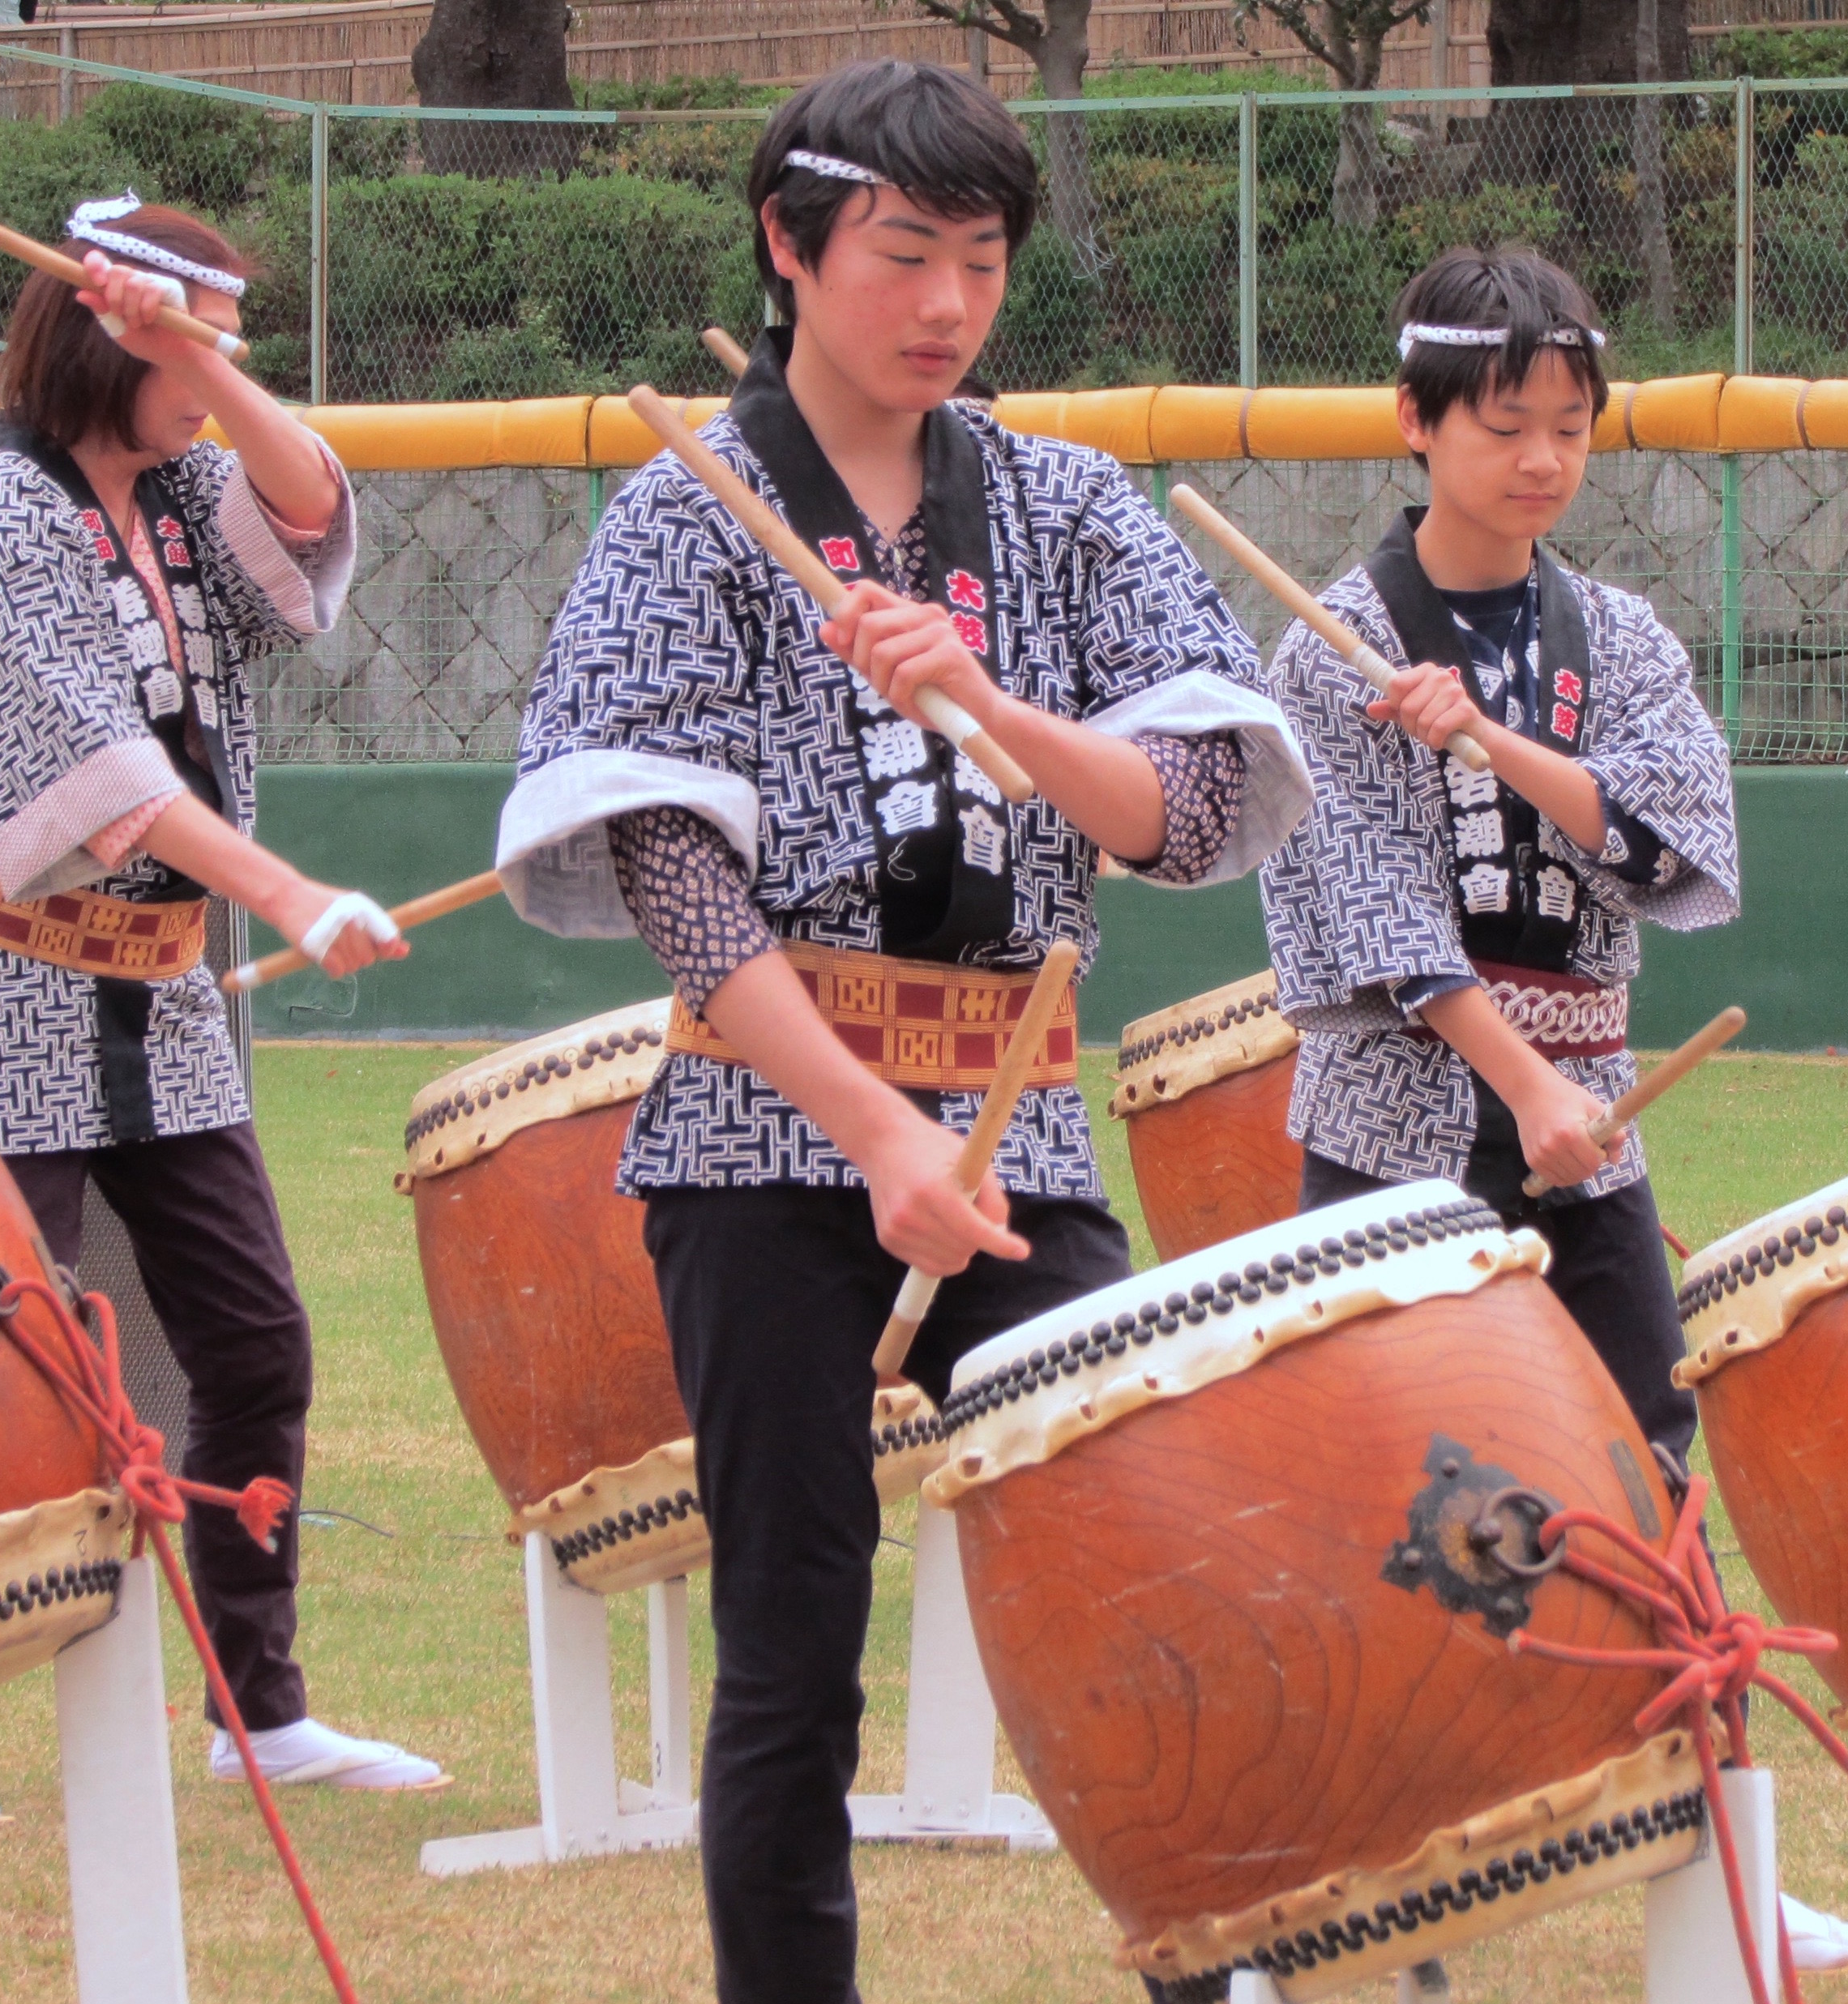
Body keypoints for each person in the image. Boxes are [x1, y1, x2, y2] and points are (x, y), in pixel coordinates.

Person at [494, 62, 1307, 2004]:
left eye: (983, 259)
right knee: (791, 1639)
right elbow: (677, 874)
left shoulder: (1065, 504)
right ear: (789, 248)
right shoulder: (687, 510)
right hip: (767, 1134)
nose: (948, 304)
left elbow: (1187, 809)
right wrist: (873, 1134)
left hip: (1015, 1125)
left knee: (1134, 1572)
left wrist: (994, 703)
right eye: (904, 253)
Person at [1254, 249, 1848, 1972]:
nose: (1541, 459)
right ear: (1415, 422)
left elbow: (1683, 838)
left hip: (1591, 1109)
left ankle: (1725, 1857)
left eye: (1568, 427)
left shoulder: (1621, 636)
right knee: (1386, 1489)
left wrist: (1494, 744)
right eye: (1503, 425)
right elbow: (1361, 912)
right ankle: (1356, 1865)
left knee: (1648, 1467)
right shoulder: (1328, 646)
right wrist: (1522, 1083)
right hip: (1400, 1118)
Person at [0, 196, 443, 1822]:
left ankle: (258, 1710)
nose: (213, 383)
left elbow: (308, 512)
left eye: (225, 353)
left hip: (158, 1001)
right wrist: (293, 894)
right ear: (100, 337)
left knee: (254, 1343)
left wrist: (200, 350)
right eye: (192, 350)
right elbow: (101, 785)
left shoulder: (185, 495)